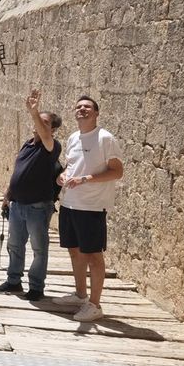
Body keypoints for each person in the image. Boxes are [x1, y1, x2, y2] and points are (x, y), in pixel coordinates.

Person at [55, 94, 123, 322]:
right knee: (74, 251)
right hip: (69, 203)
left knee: (93, 255)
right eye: (78, 107)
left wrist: (86, 179)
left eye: (87, 107)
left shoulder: (105, 138)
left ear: (96, 113)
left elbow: (117, 171)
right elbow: (71, 165)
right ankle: (80, 294)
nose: (82, 110)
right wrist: (64, 175)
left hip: (92, 206)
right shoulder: (74, 137)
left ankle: (95, 305)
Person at [0, 89, 62, 301]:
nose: (38, 125)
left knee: (39, 248)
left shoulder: (51, 147)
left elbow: (45, 136)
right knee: (15, 244)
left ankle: (36, 286)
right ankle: (14, 281)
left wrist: (34, 111)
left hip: (37, 206)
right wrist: (8, 195)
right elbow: (18, 172)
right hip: (17, 205)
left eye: (44, 122)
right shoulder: (27, 144)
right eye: (38, 121)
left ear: (52, 129)